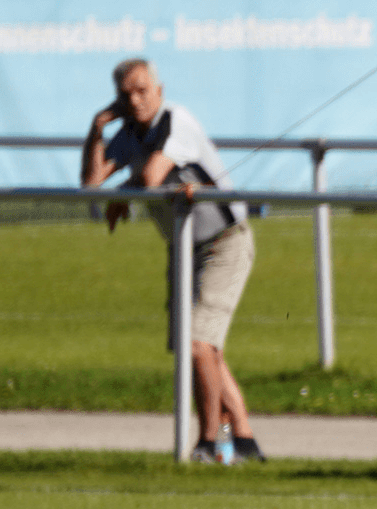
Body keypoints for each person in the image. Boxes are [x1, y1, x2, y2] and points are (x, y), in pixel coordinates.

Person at [81, 58, 264, 463]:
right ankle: (246, 441)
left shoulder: (175, 120)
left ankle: (209, 443)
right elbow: (91, 182)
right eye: (126, 94)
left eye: (142, 90)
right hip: (183, 245)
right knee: (200, 348)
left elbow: (151, 176)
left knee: (199, 345)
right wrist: (96, 129)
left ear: (159, 91)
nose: (135, 100)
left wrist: (126, 190)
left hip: (224, 241)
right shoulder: (129, 131)